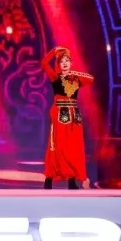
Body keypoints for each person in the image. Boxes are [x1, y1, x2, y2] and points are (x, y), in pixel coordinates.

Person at [41, 46, 94, 190]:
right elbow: (44, 63)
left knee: (73, 147)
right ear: (58, 64)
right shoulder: (55, 77)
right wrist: (54, 51)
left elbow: (90, 79)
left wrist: (71, 73)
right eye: (62, 61)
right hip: (60, 113)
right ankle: (49, 178)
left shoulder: (76, 78)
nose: (64, 63)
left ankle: (71, 180)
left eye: (67, 61)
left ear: (71, 63)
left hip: (74, 115)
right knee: (57, 146)